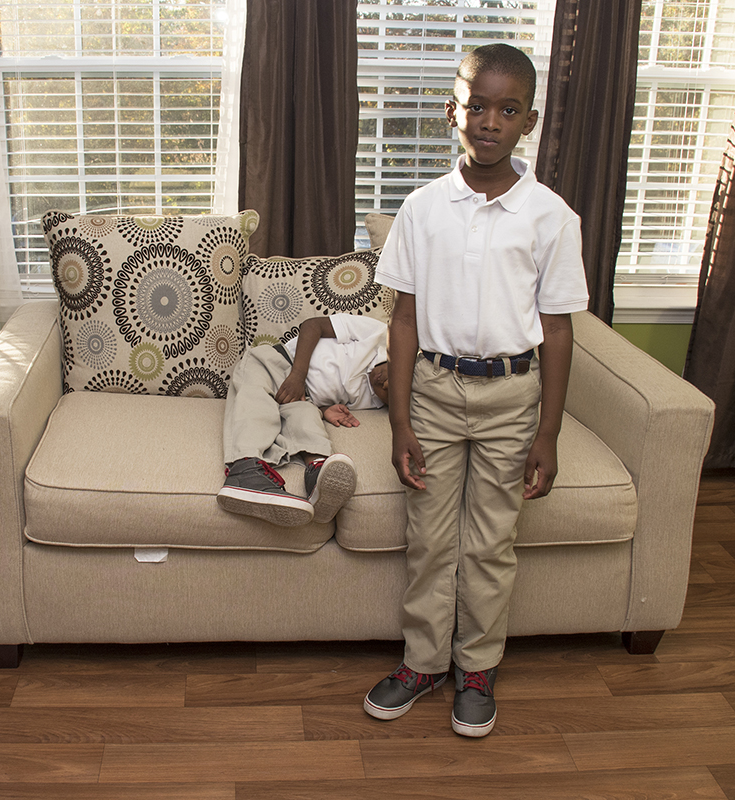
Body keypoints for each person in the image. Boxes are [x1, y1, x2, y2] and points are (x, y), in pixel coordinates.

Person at [362, 43, 589, 737]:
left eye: (508, 109)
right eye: (477, 105)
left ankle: (479, 667)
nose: (490, 121)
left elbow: (556, 333)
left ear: (529, 120)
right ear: (452, 111)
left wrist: (547, 433)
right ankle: (424, 662)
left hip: (511, 400)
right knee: (430, 539)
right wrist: (400, 422)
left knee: (491, 540)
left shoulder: (551, 217)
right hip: (432, 391)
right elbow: (401, 322)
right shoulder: (423, 208)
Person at [217, 313, 389, 527]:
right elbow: (312, 325)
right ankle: (245, 470)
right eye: (394, 375)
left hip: (302, 397)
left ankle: (318, 477)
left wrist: (325, 409)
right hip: (279, 363)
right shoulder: (381, 334)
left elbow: (326, 391)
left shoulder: (373, 401)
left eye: (389, 392)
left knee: (308, 420)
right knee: (254, 400)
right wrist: (298, 374)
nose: (385, 384)